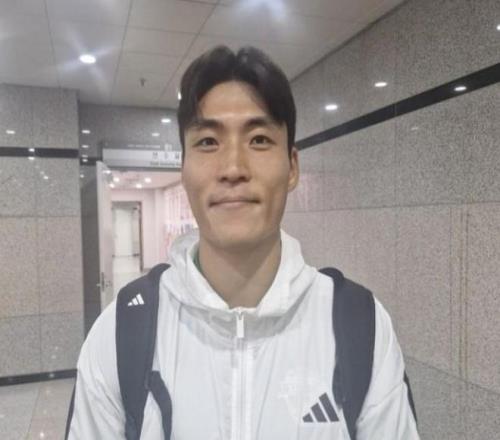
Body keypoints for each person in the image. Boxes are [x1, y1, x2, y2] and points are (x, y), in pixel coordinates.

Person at [65, 46, 420, 439]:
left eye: (259, 139)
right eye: (207, 142)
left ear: (292, 167)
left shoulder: (361, 326)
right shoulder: (119, 334)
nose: (233, 168)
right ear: (183, 167)